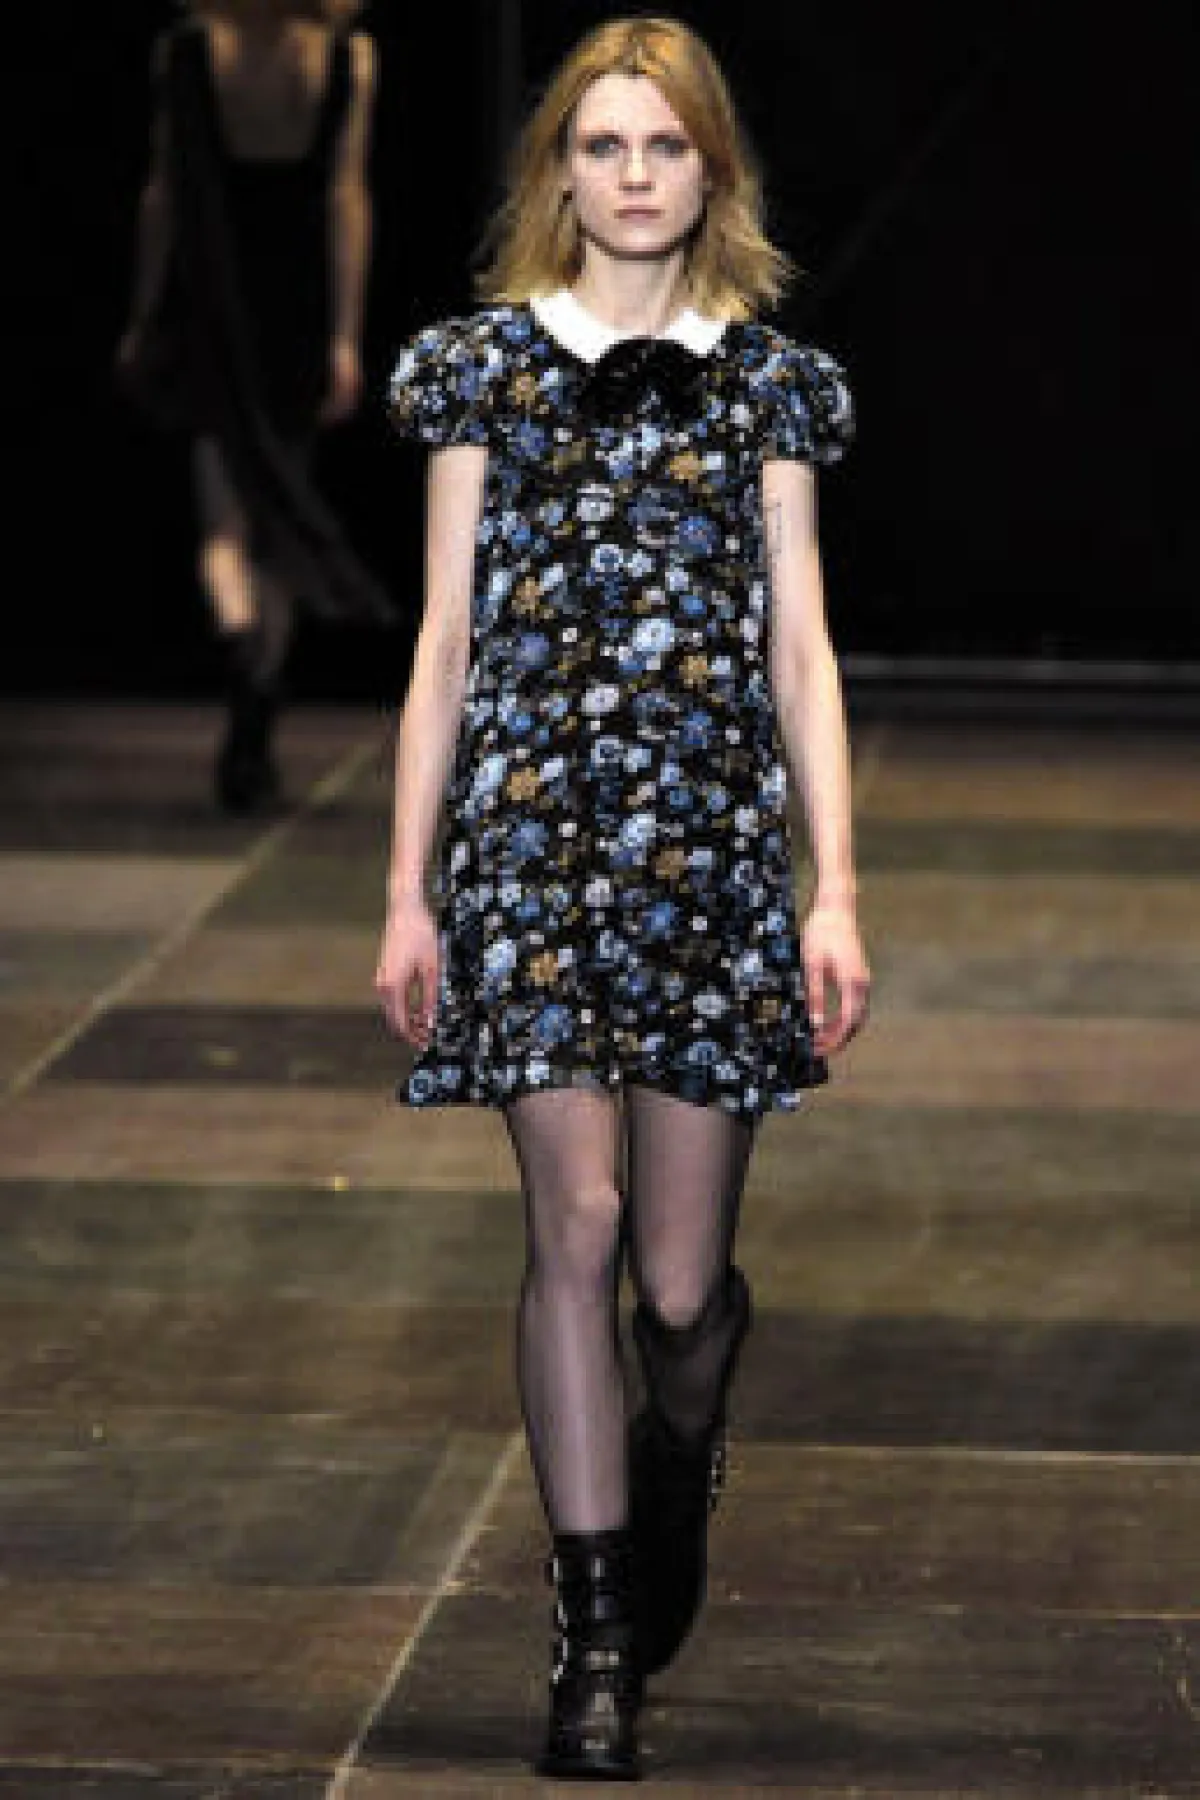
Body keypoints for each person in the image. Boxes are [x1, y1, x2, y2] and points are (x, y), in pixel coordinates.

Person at [375, 14, 870, 1781]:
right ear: (559, 172)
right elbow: (443, 641)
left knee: (674, 1286)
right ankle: (593, 1643)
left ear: (710, 168)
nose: (635, 175)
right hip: (524, 855)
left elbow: (800, 649)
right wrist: (407, 892)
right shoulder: (477, 372)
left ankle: (682, 1435)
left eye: (664, 146)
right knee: (570, 1229)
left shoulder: (770, 384)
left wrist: (835, 892)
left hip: (709, 864)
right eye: (602, 146)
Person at [116, 0, 390, 814]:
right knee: (280, 522)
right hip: (296, 308)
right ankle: (258, 702)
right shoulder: (347, 58)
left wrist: (143, 313)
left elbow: (163, 195)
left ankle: (242, 654)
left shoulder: (188, 51)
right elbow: (346, 197)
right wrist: (344, 335)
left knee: (224, 529)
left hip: (217, 302)